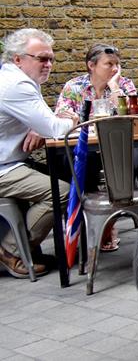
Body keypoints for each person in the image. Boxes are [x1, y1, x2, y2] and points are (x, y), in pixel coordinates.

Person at [0, 28, 76, 278]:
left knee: (62, 177)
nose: (48, 64)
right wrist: (72, 117)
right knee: (62, 192)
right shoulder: (17, 84)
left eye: (51, 58)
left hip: (11, 162)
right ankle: (12, 251)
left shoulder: (18, 79)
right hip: (4, 168)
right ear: (18, 59)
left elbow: (43, 123)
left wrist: (42, 126)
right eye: (41, 58)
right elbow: (54, 127)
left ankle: (25, 247)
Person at [55, 43, 137, 252]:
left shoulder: (124, 85)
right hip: (86, 149)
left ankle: (109, 223)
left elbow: (131, 119)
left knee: (133, 158)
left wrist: (115, 88)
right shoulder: (74, 87)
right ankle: (95, 223)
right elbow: (62, 118)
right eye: (109, 64)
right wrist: (71, 120)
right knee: (79, 164)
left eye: (117, 64)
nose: (115, 69)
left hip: (116, 145)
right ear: (91, 65)